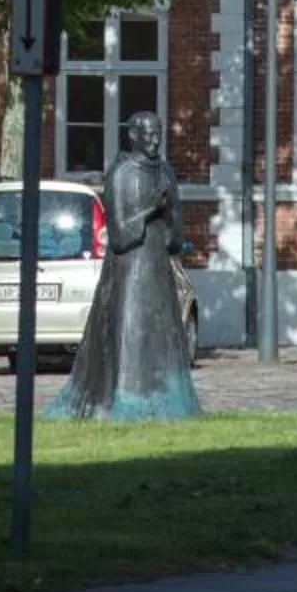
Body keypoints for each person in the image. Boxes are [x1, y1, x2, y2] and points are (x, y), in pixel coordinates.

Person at [46, 111, 202, 421]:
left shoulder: (166, 172)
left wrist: (169, 214)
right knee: (130, 336)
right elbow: (118, 235)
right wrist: (150, 210)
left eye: (159, 133)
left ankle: (167, 402)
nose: (155, 139)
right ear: (133, 136)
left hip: (158, 268)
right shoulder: (120, 174)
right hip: (129, 273)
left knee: (162, 336)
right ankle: (127, 400)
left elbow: (175, 234)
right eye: (149, 134)